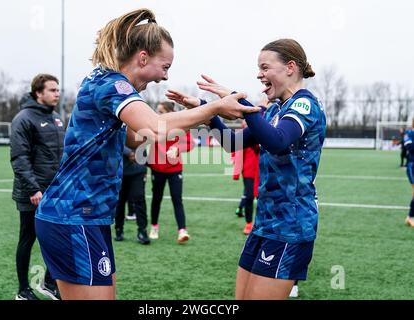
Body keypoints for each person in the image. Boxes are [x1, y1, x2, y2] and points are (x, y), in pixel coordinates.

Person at [34, 8, 259, 300]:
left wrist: (200, 116)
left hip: (89, 217)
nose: (165, 76)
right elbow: (153, 129)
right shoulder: (113, 84)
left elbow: (138, 136)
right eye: (164, 66)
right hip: (74, 216)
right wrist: (213, 108)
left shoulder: (109, 83)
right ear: (142, 58)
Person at [167, 38, 326, 299]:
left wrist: (233, 101)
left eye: (265, 67)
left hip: (291, 225)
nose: (259, 74)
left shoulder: (304, 104)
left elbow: (277, 141)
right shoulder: (276, 108)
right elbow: (233, 142)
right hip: (266, 221)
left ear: (290, 67)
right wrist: (206, 111)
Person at [10, 74, 64, 300]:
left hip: (55, 192)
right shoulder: (23, 118)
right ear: (38, 93)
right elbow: (19, 158)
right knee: (28, 239)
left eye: (58, 89)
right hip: (32, 194)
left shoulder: (57, 118)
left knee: (59, 238)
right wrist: (33, 189)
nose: (57, 93)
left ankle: (50, 282)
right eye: (52, 90)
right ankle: (23, 290)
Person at [148, 101, 195, 244]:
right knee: (157, 199)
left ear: (169, 112)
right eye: (158, 111)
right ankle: (154, 227)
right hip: (157, 168)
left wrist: (177, 148)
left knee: (177, 199)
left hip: (175, 169)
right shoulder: (155, 125)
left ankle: (182, 231)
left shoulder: (180, 125)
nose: (158, 114)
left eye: (161, 112)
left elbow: (190, 143)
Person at [114, 143, 150, 244]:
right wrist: (128, 152)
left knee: (139, 199)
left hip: (138, 168)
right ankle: (118, 229)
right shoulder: (119, 126)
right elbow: (114, 139)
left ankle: (142, 231)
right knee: (120, 201)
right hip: (120, 169)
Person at [231, 120, 260, 235]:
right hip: (248, 171)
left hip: (262, 171)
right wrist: (236, 171)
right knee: (249, 197)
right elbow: (236, 151)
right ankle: (248, 223)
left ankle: (261, 223)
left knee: (263, 198)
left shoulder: (261, 133)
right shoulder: (242, 135)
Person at [403, 118, 414, 227]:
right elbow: (409, 147)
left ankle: (409, 217)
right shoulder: (409, 133)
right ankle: (410, 217)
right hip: (412, 166)